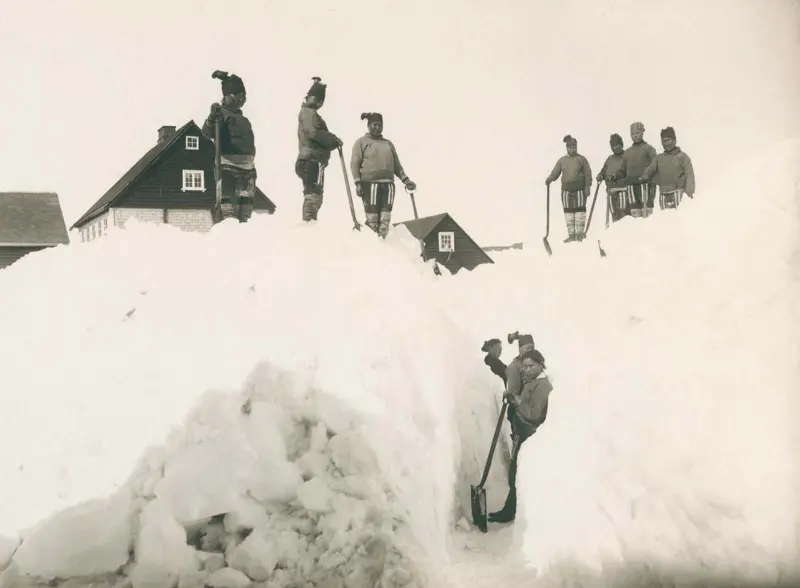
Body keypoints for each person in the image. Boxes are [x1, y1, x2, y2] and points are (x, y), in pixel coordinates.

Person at [489, 348, 553, 524]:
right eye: (525, 367)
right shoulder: (532, 382)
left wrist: (517, 402)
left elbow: (534, 413)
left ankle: (511, 513)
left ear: (541, 365)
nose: (528, 370)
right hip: (521, 433)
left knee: (516, 474)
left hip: (528, 436)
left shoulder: (542, 387)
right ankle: (509, 510)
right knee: (514, 473)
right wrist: (513, 398)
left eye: (532, 366)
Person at [202, 70, 257, 223]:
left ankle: (243, 229)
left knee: (245, 207)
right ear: (227, 96)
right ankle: (228, 234)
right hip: (229, 168)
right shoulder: (221, 114)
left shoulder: (242, 118)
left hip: (248, 170)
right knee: (229, 208)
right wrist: (212, 117)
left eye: (244, 96)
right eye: (238, 96)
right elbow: (207, 132)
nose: (242, 99)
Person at [350, 112, 417, 238]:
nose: (377, 128)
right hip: (370, 185)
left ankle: (383, 244)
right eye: (374, 125)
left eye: (380, 125)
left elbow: (396, 165)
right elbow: (354, 164)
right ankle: (371, 246)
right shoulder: (361, 142)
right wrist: (358, 182)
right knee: (373, 219)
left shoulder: (388, 144)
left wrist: (406, 180)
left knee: (385, 220)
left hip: (388, 185)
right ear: (369, 125)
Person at [296, 77, 343, 222]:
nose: (318, 102)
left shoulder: (308, 113)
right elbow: (314, 133)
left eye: (320, 100)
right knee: (313, 196)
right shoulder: (309, 113)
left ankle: (309, 222)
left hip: (310, 159)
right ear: (309, 97)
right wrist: (333, 140)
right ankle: (308, 224)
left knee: (314, 194)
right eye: (316, 98)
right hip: (312, 160)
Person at [545, 135, 593, 242]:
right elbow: (555, 172)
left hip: (579, 190)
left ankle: (580, 234)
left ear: (577, 147)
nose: (572, 150)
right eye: (570, 148)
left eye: (574, 147)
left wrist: (587, 187)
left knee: (579, 211)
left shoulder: (581, 159)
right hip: (566, 191)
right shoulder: (562, 161)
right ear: (566, 148)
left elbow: (588, 174)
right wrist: (550, 179)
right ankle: (571, 235)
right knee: (568, 212)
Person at [640, 126, 696, 210]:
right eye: (663, 141)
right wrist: (645, 176)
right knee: (665, 219)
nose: (666, 143)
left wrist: (689, 193)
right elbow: (650, 170)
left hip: (679, 193)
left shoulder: (682, 157)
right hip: (663, 194)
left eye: (668, 140)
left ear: (674, 140)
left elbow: (690, 176)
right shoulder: (659, 158)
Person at [617, 121, 658, 218]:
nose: (635, 136)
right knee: (635, 212)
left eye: (637, 133)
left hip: (646, 185)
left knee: (646, 213)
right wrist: (615, 176)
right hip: (632, 186)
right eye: (633, 134)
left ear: (642, 133)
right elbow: (622, 170)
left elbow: (655, 164)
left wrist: (647, 175)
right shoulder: (627, 152)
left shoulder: (649, 149)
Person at [596, 133, 630, 223]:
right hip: (611, 190)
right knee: (614, 212)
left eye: (618, 145)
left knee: (623, 211)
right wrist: (600, 175)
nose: (616, 148)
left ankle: (626, 230)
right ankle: (615, 232)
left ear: (622, 145)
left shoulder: (627, 156)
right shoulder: (610, 159)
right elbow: (604, 170)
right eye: (613, 146)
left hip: (623, 189)